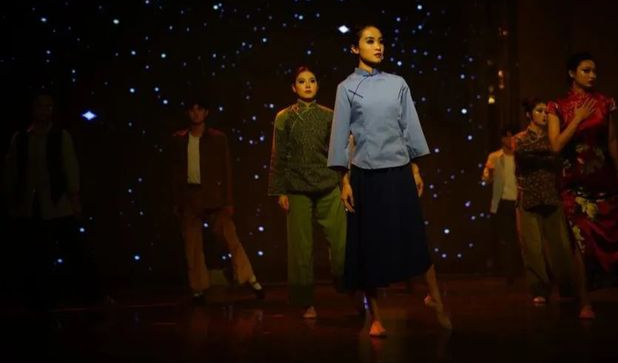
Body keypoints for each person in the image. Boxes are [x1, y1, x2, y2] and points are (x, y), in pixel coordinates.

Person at [327, 24, 451, 337]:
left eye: (380, 41)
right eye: (370, 41)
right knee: (368, 246)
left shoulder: (398, 83)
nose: (378, 46)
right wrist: (344, 181)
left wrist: (415, 168)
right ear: (355, 48)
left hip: (398, 170)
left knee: (414, 236)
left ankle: (435, 298)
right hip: (366, 175)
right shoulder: (346, 88)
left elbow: (409, 125)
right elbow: (340, 135)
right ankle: (376, 316)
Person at [3, 91, 104, 310]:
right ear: (33, 109)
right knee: (36, 255)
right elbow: (12, 170)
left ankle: (93, 296)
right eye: (41, 106)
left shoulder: (60, 136)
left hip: (58, 204)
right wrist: (12, 199)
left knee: (75, 251)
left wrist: (74, 197)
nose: (45, 111)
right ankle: (40, 300)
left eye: (49, 107)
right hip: (30, 206)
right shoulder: (21, 139)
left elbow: (70, 166)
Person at [547, 52, 618, 319]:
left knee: (609, 236)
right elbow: (555, 145)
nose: (592, 75)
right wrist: (578, 118)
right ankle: (585, 301)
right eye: (586, 70)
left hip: (603, 178)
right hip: (574, 182)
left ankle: (609, 288)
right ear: (572, 73)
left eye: (594, 70)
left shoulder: (604, 102)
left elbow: (611, 140)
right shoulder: (557, 106)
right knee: (580, 240)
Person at [268, 66, 347, 319]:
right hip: (296, 187)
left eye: (312, 80)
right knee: (301, 248)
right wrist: (280, 191)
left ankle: (347, 285)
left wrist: (344, 182)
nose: (308, 85)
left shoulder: (329, 115)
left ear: (317, 85)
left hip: (328, 184)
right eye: (302, 81)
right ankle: (305, 301)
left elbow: (340, 152)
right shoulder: (284, 117)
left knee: (342, 242)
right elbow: (278, 155)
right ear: (294, 87)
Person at [170, 98, 264, 304]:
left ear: (206, 113)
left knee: (230, 237)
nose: (196, 113)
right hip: (190, 197)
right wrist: (177, 202)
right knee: (192, 245)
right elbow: (175, 173)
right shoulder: (179, 139)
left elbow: (226, 170)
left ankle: (249, 278)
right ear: (188, 113)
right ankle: (198, 288)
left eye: (200, 109)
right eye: (192, 109)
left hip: (214, 197)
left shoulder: (217, 138)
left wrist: (228, 201)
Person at [514, 98, 574, 304]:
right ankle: (539, 289)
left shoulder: (554, 138)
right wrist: (547, 156)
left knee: (561, 247)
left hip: (551, 195)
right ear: (529, 114)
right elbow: (524, 158)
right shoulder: (520, 138)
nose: (544, 115)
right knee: (532, 248)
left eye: (546, 111)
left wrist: (547, 155)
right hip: (529, 196)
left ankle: (567, 287)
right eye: (539, 111)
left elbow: (558, 160)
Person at [481, 125, 522, 284]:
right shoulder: (495, 156)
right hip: (503, 202)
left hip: (520, 201)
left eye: (512, 136)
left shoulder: (520, 155)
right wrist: (490, 172)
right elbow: (485, 179)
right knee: (508, 238)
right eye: (506, 136)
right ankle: (509, 274)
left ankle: (523, 270)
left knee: (522, 237)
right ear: (501, 139)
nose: (509, 140)